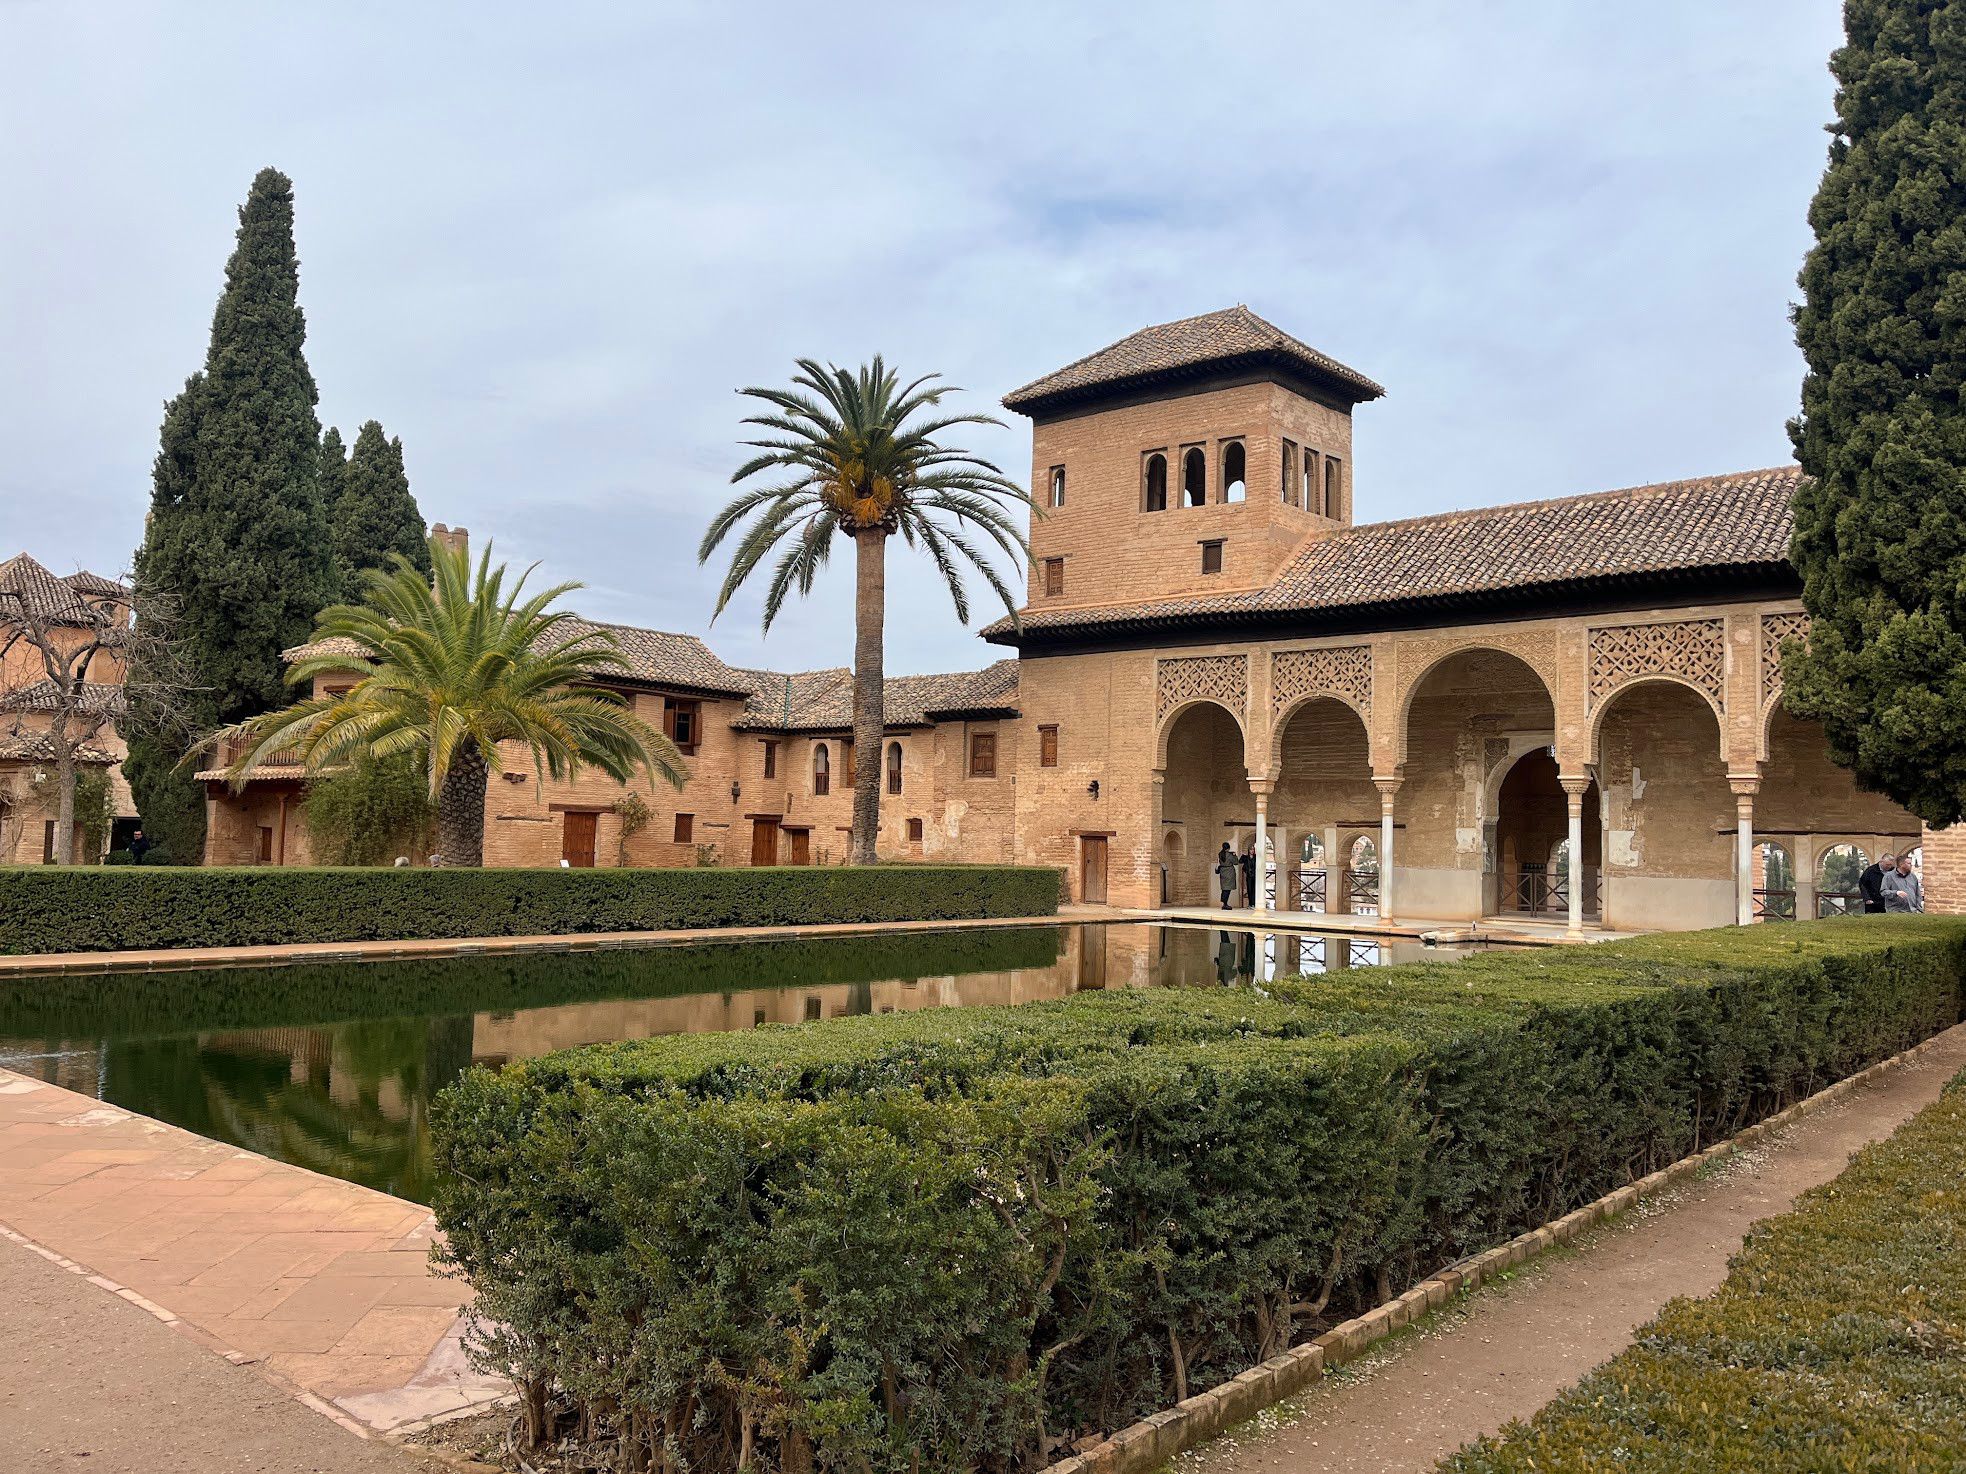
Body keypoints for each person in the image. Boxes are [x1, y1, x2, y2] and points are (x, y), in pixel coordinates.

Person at [1215, 843, 1239, 910]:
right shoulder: (1229, 855)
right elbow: (1236, 862)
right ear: (1228, 848)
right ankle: (1225, 904)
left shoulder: (1220, 854)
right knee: (1227, 889)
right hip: (1229, 872)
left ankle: (1224, 902)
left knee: (1224, 888)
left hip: (1223, 872)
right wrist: (1234, 855)